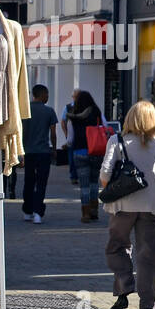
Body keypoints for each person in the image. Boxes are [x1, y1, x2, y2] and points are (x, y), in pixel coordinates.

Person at [99, 101, 155, 309]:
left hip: (122, 205)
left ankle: (124, 286)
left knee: (116, 247)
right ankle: (147, 305)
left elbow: (105, 174)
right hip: (152, 206)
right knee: (149, 255)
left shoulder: (117, 140)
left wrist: (111, 187)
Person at [21, 84, 58, 224]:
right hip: (43, 152)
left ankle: (27, 211)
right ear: (42, 95)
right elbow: (53, 133)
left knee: (29, 181)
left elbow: (21, 131)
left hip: (28, 151)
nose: (48, 97)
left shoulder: (25, 111)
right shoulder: (49, 111)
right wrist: (54, 149)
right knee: (41, 183)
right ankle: (38, 212)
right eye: (47, 94)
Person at [67, 89, 104, 222]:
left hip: (80, 152)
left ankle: (85, 213)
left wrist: (68, 145)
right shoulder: (96, 113)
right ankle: (95, 210)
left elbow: (70, 139)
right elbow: (104, 127)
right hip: (96, 151)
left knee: (84, 185)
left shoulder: (73, 116)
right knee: (94, 182)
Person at [61, 89, 80, 183]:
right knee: (72, 157)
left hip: (82, 137)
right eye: (75, 96)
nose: (76, 98)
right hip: (71, 137)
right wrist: (66, 134)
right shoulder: (67, 107)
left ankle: (79, 175)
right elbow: (63, 121)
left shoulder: (85, 107)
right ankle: (73, 176)